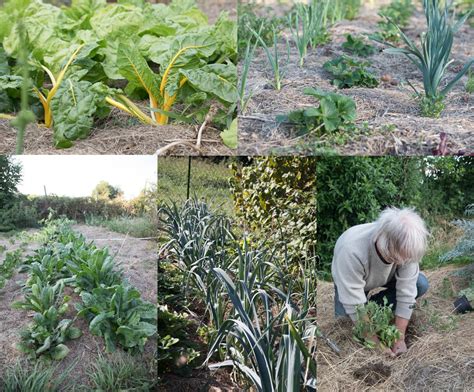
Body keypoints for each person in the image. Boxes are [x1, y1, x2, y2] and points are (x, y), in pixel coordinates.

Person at [331, 207, 430, 356]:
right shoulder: (351, 251)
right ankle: (365, 305)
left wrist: (399, 338)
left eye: (406, 259)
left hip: (387, 277)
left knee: (420, 284)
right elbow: (353, 303)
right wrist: (377, 345)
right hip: (353, 278)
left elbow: (407, 292)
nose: (403, 262)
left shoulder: (406, 247)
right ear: (385, 244)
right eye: (398, 258)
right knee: (345, 323)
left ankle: (372, 306)